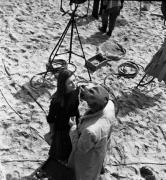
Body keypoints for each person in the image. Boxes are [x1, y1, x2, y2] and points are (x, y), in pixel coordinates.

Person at [68, 84, 116, 180]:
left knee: (85, 173)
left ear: (93, 106)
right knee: (98, 164)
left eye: (87, 102)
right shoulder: (109, 104)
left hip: (89, 157)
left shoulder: (90, 131)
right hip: (102, 146)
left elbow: (80, 148)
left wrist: (73, 127)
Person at [46, 68, 80, 163]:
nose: (74, 84)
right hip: (62, 127)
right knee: (60, 149)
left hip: (74, 120)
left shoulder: (76, 90)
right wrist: (52, 132)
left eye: (74, 80)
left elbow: (75, 106)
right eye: (70, 83)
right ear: (63, 85)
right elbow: (51, 118)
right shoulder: (56, 101)